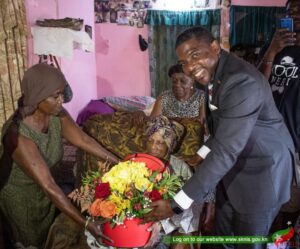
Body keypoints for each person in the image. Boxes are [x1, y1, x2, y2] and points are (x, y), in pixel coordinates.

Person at [143, 26, 295, 249]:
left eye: (195, 55)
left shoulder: (241, 81)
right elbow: (222, 126)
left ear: (215, 46)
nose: (190, 66)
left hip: (262, 174)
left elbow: (225, 151)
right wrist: (201, 154)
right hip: (234, 172)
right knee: (222, 238)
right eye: (184, 61)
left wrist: (177, 204)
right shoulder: (215, 74)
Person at [0, 64, 119, 248]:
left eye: (62, 94)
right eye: (55, 96)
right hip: (23, 199)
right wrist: (87, 224)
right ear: (37, 97)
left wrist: (119, 163)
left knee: (53, 233)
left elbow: (83, 141)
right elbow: (49, 186)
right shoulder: (17, 136)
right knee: (32, 242)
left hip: (47, 190)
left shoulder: (55, 114)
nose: (61, 101)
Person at [257, 0, 300, 231]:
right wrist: (272, 50)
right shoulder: (273, 47)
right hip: (272, 142)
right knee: (274, 204)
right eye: (290, 10)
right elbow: (255, 86)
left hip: (297, 142)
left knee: (292, 208)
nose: (295, 13)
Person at [133, 64, 206, 128]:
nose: (177, 85)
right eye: (174, 81)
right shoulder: (164, 97)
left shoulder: (201, 97)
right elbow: (153, 121)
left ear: (192, 81)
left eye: (183, 81)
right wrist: (141, 113)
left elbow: (201, 123)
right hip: (169, 137)